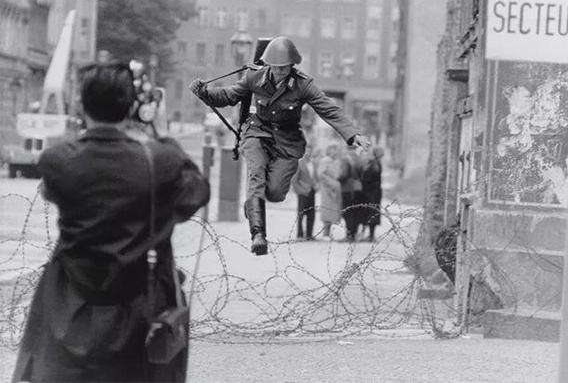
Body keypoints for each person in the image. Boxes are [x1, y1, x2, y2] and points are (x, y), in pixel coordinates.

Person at [12, 63, 210, 383]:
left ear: (81, 105)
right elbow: (195, 194)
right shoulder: (159, 160)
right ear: (132, 107)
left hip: (69, 301)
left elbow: (52, 191)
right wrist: (160, 134)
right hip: (139, 301)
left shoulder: (59, 160)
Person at [189, 36, 370, 255]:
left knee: (274, 192)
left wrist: (353, 134)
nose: (281, 71)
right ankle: (258, 234)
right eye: (276, 67)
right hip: (257, 133)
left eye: (285, 67)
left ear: (292, 65)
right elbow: (229, 95)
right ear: (269, 65)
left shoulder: (303, 85)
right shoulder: (254, 77)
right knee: (256, 173)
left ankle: (253, 205)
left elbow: (328, 109)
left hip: (287, 142)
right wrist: (205, 93)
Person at [291, 144, 318, 240]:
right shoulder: (299, 163)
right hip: (302, 193)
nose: (308, 152)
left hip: (312, 192)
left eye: (310, 150)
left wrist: (316, 186)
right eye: (307, 150)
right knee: (301, 214)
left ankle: (309, 235)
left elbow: (315, 177)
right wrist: (300, 191)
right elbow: (294, 180)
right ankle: (299, 235)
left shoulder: (313, 163)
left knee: (311, 214)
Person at [339, 144, 364, 242]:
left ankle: (348, 235)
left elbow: (344, 174)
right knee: (355, 212)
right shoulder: (359, 159)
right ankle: (354, 234)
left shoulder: (346, 159)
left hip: (347, 188)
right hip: (358, 187)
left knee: (347, 212)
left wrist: (338, 179)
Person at [317, 144, 342, 239]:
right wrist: (331, 183)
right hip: (327, 189)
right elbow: (321, 174)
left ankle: (329, 232)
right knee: (327, 210)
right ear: (329, 150)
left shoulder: (335, 161)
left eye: (336, 150)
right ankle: (325, 233)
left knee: (333, 211)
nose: (335, 152)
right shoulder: (325, 161)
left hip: (335, 188)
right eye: (333, 150)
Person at [360, 147, 384, 242]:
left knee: (371, 213)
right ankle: (370, 235)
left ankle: (370, 235)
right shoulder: (375, 164)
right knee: (372, 213)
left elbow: (368, 178)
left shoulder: (374, 163)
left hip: (373, 192)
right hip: (373, 192)